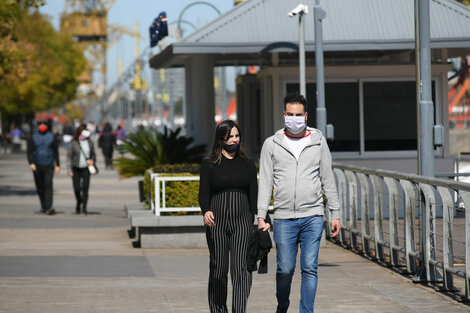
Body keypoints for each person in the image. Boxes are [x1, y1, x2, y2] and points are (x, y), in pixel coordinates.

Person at [257, 92, 341, 313]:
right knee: (285, 269)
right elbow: (265, 183)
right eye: (290, 114)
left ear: (306, 115)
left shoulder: (317, 141)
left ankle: (306, 311)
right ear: (284, 114)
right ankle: (283, 305)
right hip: (284, 217)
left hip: (313, 215)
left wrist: (335, 212)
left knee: (309, 268)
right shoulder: (271, 144)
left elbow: (327, 177)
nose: (294, 119)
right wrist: (261, 216)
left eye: (298, 114)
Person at [198, 120, 258, 313]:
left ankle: (239, 310)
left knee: (241, 270)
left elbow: (253, 194)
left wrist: (257, 219)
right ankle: (218, 309)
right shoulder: (209, 164)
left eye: (237, 136)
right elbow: (204, 192)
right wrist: (206, 210)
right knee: (219, 268)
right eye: (230, 136)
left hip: (242, 222)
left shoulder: (248, 164)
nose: (234, 140)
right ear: (221, 139)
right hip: (217, 222)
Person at [27, 119, 60, 215]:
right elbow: (29, 151)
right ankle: (43, 206)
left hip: (49, 164)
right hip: (37, 165)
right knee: (40, 187)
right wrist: (31, 163)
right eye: (40, 124)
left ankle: (49, 207)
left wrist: (57, 164)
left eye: (44, 124)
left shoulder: (52, 136)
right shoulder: (33, 137)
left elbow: (56, 151)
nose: (42, 125)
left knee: (48, 185)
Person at [67, 124, 96, 215]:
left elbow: (93, 154)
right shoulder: (73, 143)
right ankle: (79, 202)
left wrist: (92, 160)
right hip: (76, 168)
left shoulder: (90, 142)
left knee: (85, 188)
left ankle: (84, 208)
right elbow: (69, 157)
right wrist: (69, 169)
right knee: (76, 188)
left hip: (86, 169)